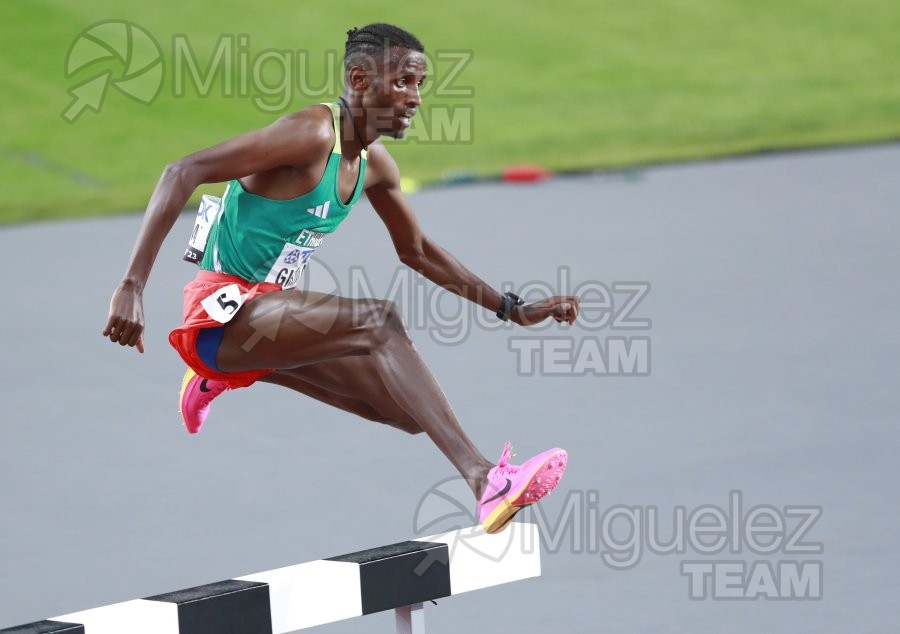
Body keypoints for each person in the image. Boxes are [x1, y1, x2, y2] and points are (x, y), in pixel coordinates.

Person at [102, 23, 580, 534]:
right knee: (379, 322)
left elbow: (417, 251)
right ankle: (485, 479)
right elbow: (182, 171)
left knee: (404, 413)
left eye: (420, 85)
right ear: (359, 79)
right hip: (223, 309)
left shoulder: (375, 164)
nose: (415, 98)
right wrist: (131, 285)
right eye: (402, 83)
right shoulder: (310, 134)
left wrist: (511, 308)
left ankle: (224, 374)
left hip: (269, 318)